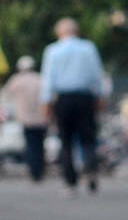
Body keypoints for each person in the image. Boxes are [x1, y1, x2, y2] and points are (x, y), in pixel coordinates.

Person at [40, 18, 108, 194]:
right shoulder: (88, 48)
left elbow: (48, 80)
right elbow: (97, 75)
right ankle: (91, 169)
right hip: (85, 98)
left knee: (66, 141)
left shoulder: (53, 50)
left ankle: (70, 182)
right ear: (77, 31)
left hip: (64, 99)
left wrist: (46, 104)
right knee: (88, 137)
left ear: (59, 33)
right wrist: (100, 97)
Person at [0, 56, 48, 182]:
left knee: (30, 145)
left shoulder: (17, 80)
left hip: (26, 119)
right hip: (41, 118)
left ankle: (33, 171)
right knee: (40, 145)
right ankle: (40, 171)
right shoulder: (40, 79)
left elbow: (4, 95)